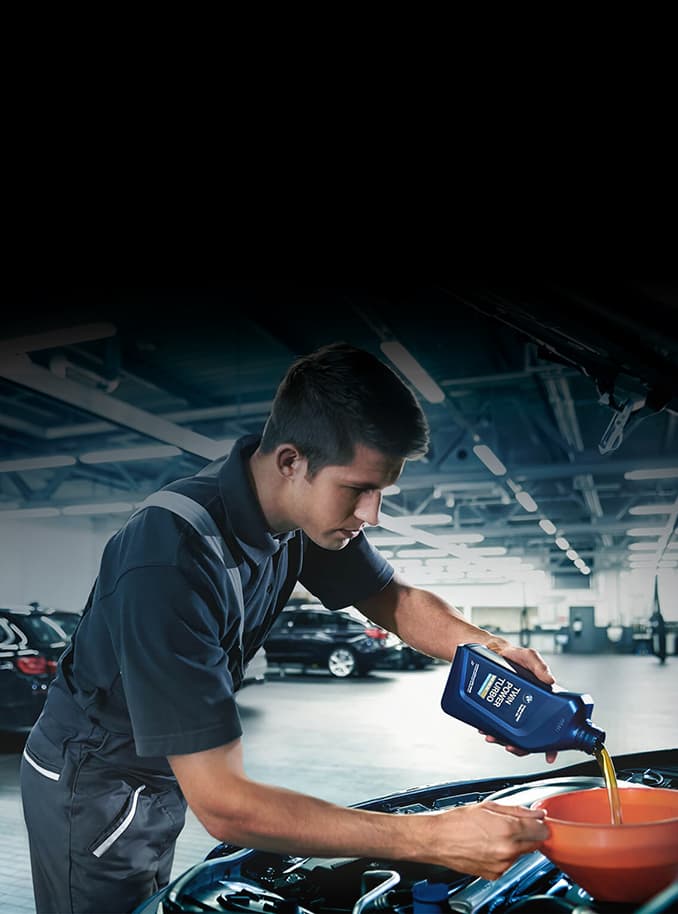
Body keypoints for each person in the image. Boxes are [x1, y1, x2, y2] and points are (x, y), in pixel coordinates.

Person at [21, 342, 553, 914]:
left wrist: (488, 649)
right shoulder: (169, 558)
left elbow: (393, 599)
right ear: (291, 462)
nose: (373, 514)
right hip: (94, 780)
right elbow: (225, 804)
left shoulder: (299, 516)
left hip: (159, 770)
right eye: (358, 489)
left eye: (381, 491)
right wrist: (434, 837)